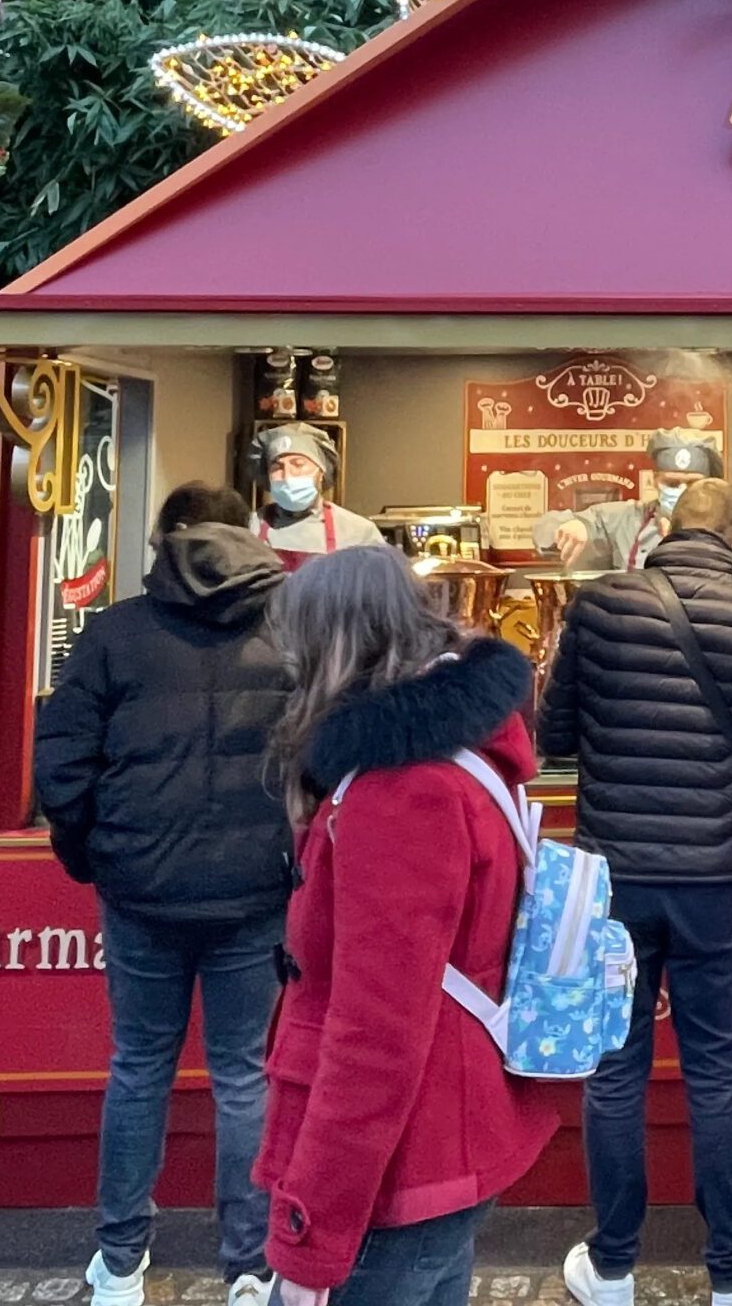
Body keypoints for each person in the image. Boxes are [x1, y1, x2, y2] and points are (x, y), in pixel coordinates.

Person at [249, 544, 553, 1306]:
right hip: (443, 1134)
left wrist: (310, 1238)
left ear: (335, 645)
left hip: (397, 1164)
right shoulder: (461, 758)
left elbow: (374, 1035)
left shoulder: (398, 790)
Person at [539, 475, 732, 1306]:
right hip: (713, 875)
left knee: (616, 1068)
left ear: (663, 527)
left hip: (615, 873)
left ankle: (613, 1264)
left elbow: (552, 735)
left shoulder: (598, 607)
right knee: (715, 1066)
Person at [31, 483, 293, 1306]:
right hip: (255, 890)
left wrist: (93, 855)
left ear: (167, 538)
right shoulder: (285, 628)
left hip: (141, 886)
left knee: (139, 1065)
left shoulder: (114, 633)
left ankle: (119, 1260)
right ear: (245, 533)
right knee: (244, 1072)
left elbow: (61, 762)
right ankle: (249, 1267)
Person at [536, 431, 732, 602]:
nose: (680, 491)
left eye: (691, 483)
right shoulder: (624, 519)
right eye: (671, 483)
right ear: (654, 480)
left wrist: (711, 595)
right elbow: (543, 533)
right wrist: (573, 525)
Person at [249, 423, 380, 573]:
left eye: (298, 465)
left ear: (321, 473)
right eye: (277, 467)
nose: (287, 475)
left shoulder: (358, 533)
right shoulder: (252, 526)